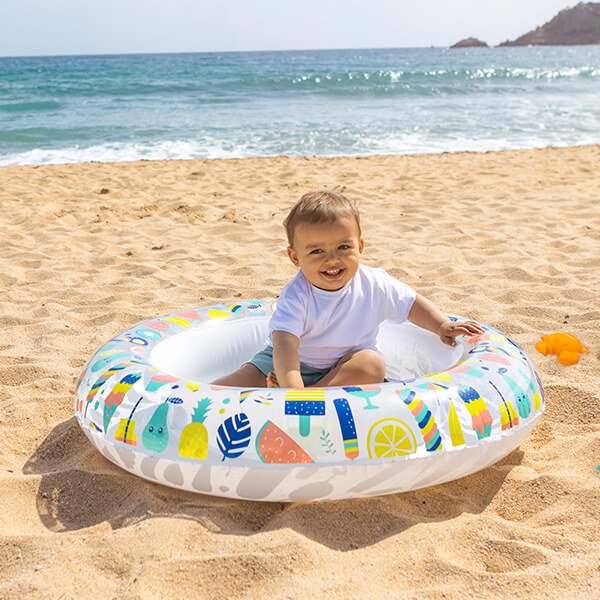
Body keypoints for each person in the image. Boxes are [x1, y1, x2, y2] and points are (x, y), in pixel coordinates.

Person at [213, 190, 484, 389]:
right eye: (317, 251)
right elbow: (285, 344)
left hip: (343, 367)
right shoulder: (297, 294)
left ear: (360, 247)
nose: (332, 260)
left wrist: (441, 325)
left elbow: (411, 304)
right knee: (232, 384)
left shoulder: (375, 283)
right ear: (295, 258)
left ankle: (313, 395)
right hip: (287, 365)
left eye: (343, 247)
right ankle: (296, 394)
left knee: (372, 365)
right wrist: (291, 385)